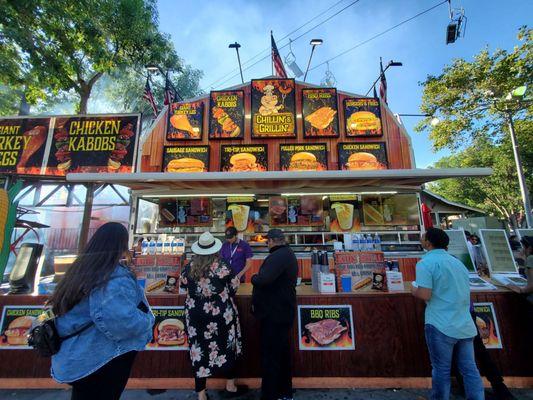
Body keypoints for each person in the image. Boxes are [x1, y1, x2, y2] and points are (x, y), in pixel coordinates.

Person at [49, 222, 154, 400]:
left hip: (75, 358)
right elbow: (121, 321)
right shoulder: (111, 278)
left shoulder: (79, 271)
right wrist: (149, 321)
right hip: (100, 360)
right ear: (119, 245)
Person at [412, 228, 484, 400]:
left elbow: (424, 294)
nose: (421, 240)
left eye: (423, 237)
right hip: (464, 324)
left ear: (428, 242)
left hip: (440, 324)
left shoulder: (425, 263)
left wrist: (413, 289)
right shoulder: (458, 263)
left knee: (441, 369)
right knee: (469, 368)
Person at [180, 231, 247, 400]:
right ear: (214, 249)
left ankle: (201, 394)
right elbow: (233, 288)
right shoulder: (223, 266)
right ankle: (230, 386)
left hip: (196, 316)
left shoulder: (189, 267)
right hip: (221, 316)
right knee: (227, 346)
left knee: (198, 350)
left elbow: (183, 285)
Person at [251, 228, 298, 400]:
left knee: (271, 357)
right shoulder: (286, 253)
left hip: (275, 314)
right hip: (281, 311)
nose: (266, 243)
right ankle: (284, 391)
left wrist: (253, 278)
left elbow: (264, 279)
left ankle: (270, 395)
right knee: (281, 354)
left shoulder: (278, 256)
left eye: (267, 241)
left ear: (271, 241)